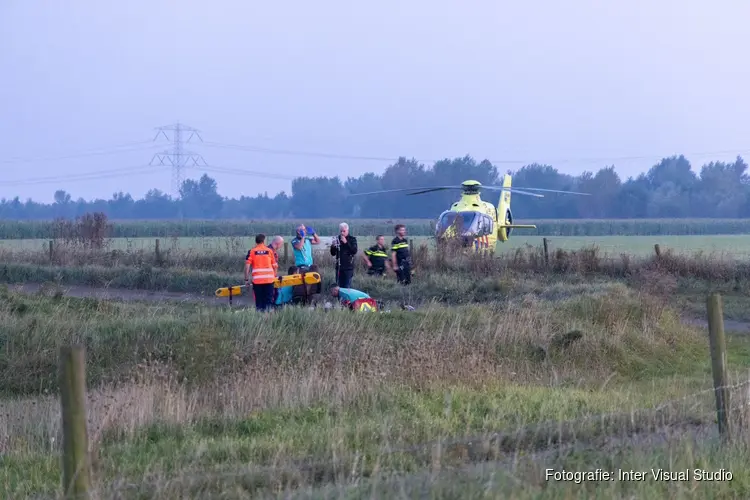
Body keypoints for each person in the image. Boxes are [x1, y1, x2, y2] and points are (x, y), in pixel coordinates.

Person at [244, 233, 278, 311]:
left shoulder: (252, 251)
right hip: (269, 280)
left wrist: (246, 279)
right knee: (268, 302)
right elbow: (275, 266)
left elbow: (247, 267)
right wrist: (274, 276)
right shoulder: (269, 251)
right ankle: (269, 320)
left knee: (259, 303)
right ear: (264, 241)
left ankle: (260, 320)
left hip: (257, 281)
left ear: (256, 242)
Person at [329, 222, 357, 288]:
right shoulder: (337, 239)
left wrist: (346, 243)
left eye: (344, 231)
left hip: (348, 268)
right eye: (341, 231)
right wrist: (333, 246)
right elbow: (333, 253)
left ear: (347, 230)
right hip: (339, 267)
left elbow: (354, 251)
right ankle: (339, 298)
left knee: (347, 287)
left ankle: (346, 298)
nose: (342, 233)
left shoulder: (352, 239)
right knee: (338, 287)